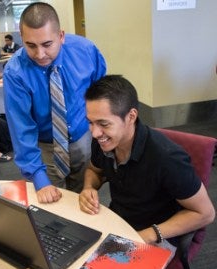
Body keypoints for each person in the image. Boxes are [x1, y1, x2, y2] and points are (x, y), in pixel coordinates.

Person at [79, 74, 215, 248]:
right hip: (119, 222)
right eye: (90, 122)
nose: (95, 132)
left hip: (160, 233)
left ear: (131, 116)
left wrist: (148, 235)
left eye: (104, 124)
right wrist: (89, 187)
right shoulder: (104, 141)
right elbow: (94, 170)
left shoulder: (167, 158)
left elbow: (205, 214)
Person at [3, 2, 106, 204]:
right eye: (30, 45)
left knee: (83, 200)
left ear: (61, 36)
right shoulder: (15, 72)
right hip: (45, 147)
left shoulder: (86, 51)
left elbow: (102, 94)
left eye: (47, 44)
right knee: (53, 209)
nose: (40, 54)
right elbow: (22, 129)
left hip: (83, 138)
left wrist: (101, 136)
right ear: (22, 39)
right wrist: (39, 180)